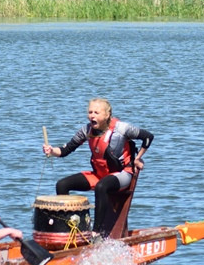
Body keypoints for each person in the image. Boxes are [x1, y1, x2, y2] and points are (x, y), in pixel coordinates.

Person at [42, 98, 154, 236]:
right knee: (62, 184)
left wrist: (137, 158)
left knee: (102, 186)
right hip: (99, 174)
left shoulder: (121, 128)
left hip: (122, 175)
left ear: (107, 115)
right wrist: (52, 150)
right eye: (90, 112)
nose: (92, 116)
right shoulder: (86, 130)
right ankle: (68, 229)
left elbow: (148, 137)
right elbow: (66, 150)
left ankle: (96, 233)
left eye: (96, 112)